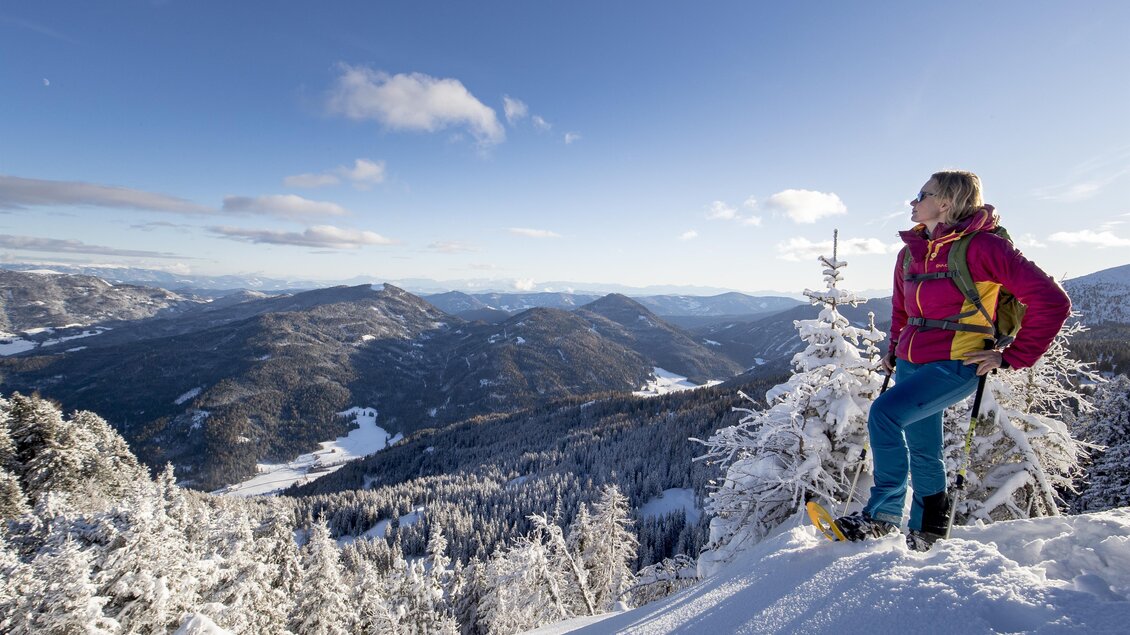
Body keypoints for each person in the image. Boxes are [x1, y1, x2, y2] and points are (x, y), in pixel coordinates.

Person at [835, 170, 1071, 551]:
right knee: (923, 447)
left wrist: (1010, 356)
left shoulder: (984, 248)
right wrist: (893, 348)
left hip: (957, 363)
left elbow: (1052, 301)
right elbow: (902, 309)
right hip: (911, 362)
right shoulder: (910, 253)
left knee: (884, 414)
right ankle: (928, 530)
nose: (913, 202)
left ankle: (882, 516)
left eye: (922, 194)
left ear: (945, 203)